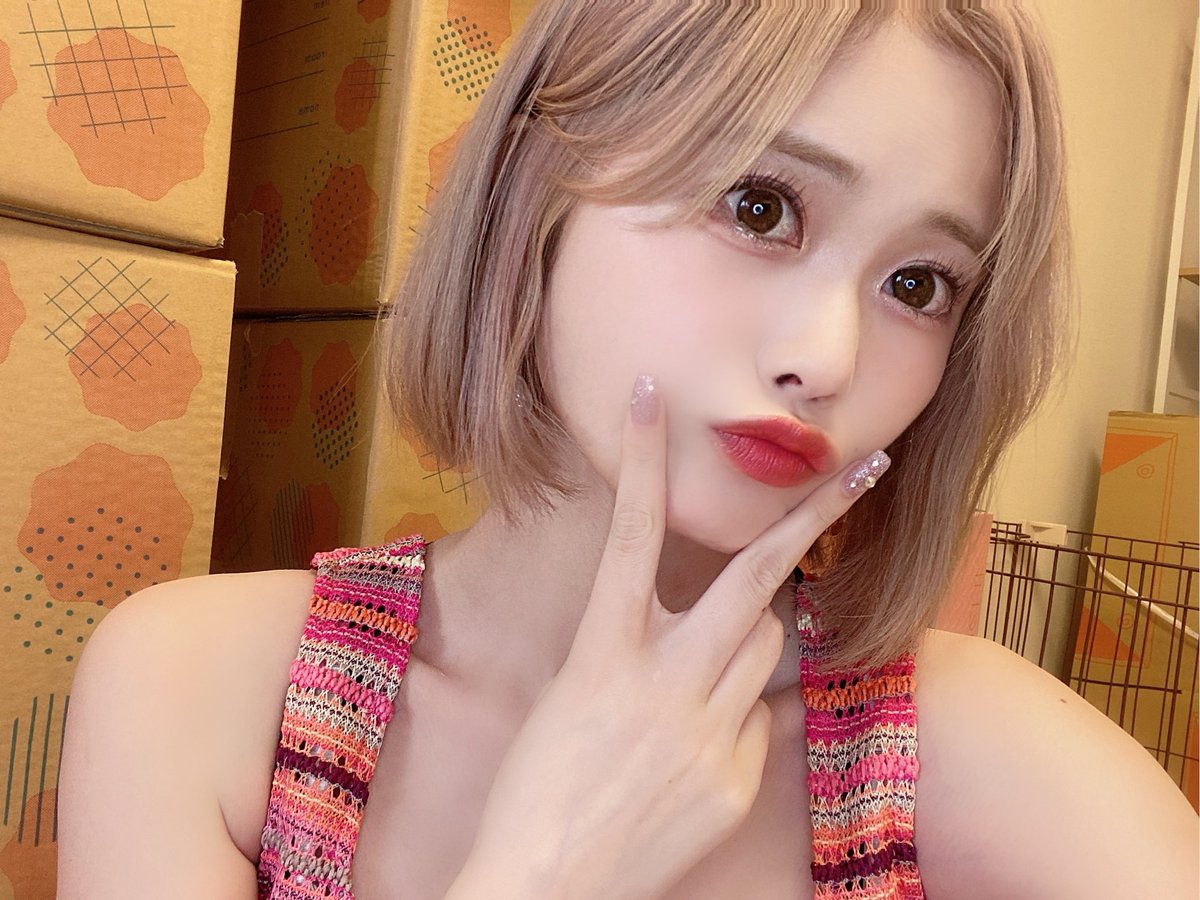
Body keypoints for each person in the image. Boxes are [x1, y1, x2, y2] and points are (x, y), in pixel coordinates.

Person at [56, 2, 1199, 898]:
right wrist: (549, 867)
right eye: (760, 207)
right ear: (536, 188)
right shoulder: (204, 688)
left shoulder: (971, 751)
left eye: (917, 284)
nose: (827, 357)